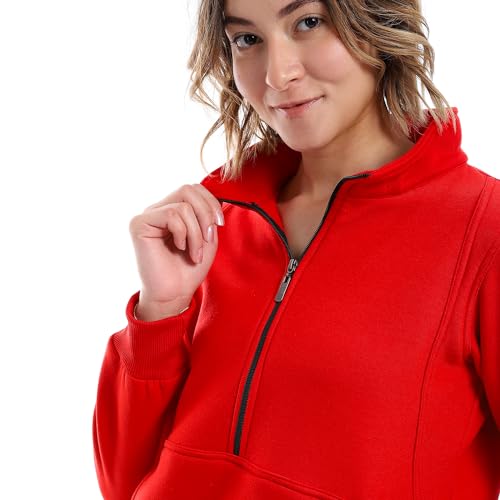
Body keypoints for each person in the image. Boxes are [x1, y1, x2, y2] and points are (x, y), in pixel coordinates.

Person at [93, 0, 500, 498]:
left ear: (378, 22)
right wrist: (161, 311)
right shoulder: (215, 221)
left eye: (308, 23)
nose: (276, 74)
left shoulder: (484, 230)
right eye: (248, 39)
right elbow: (124, 482)